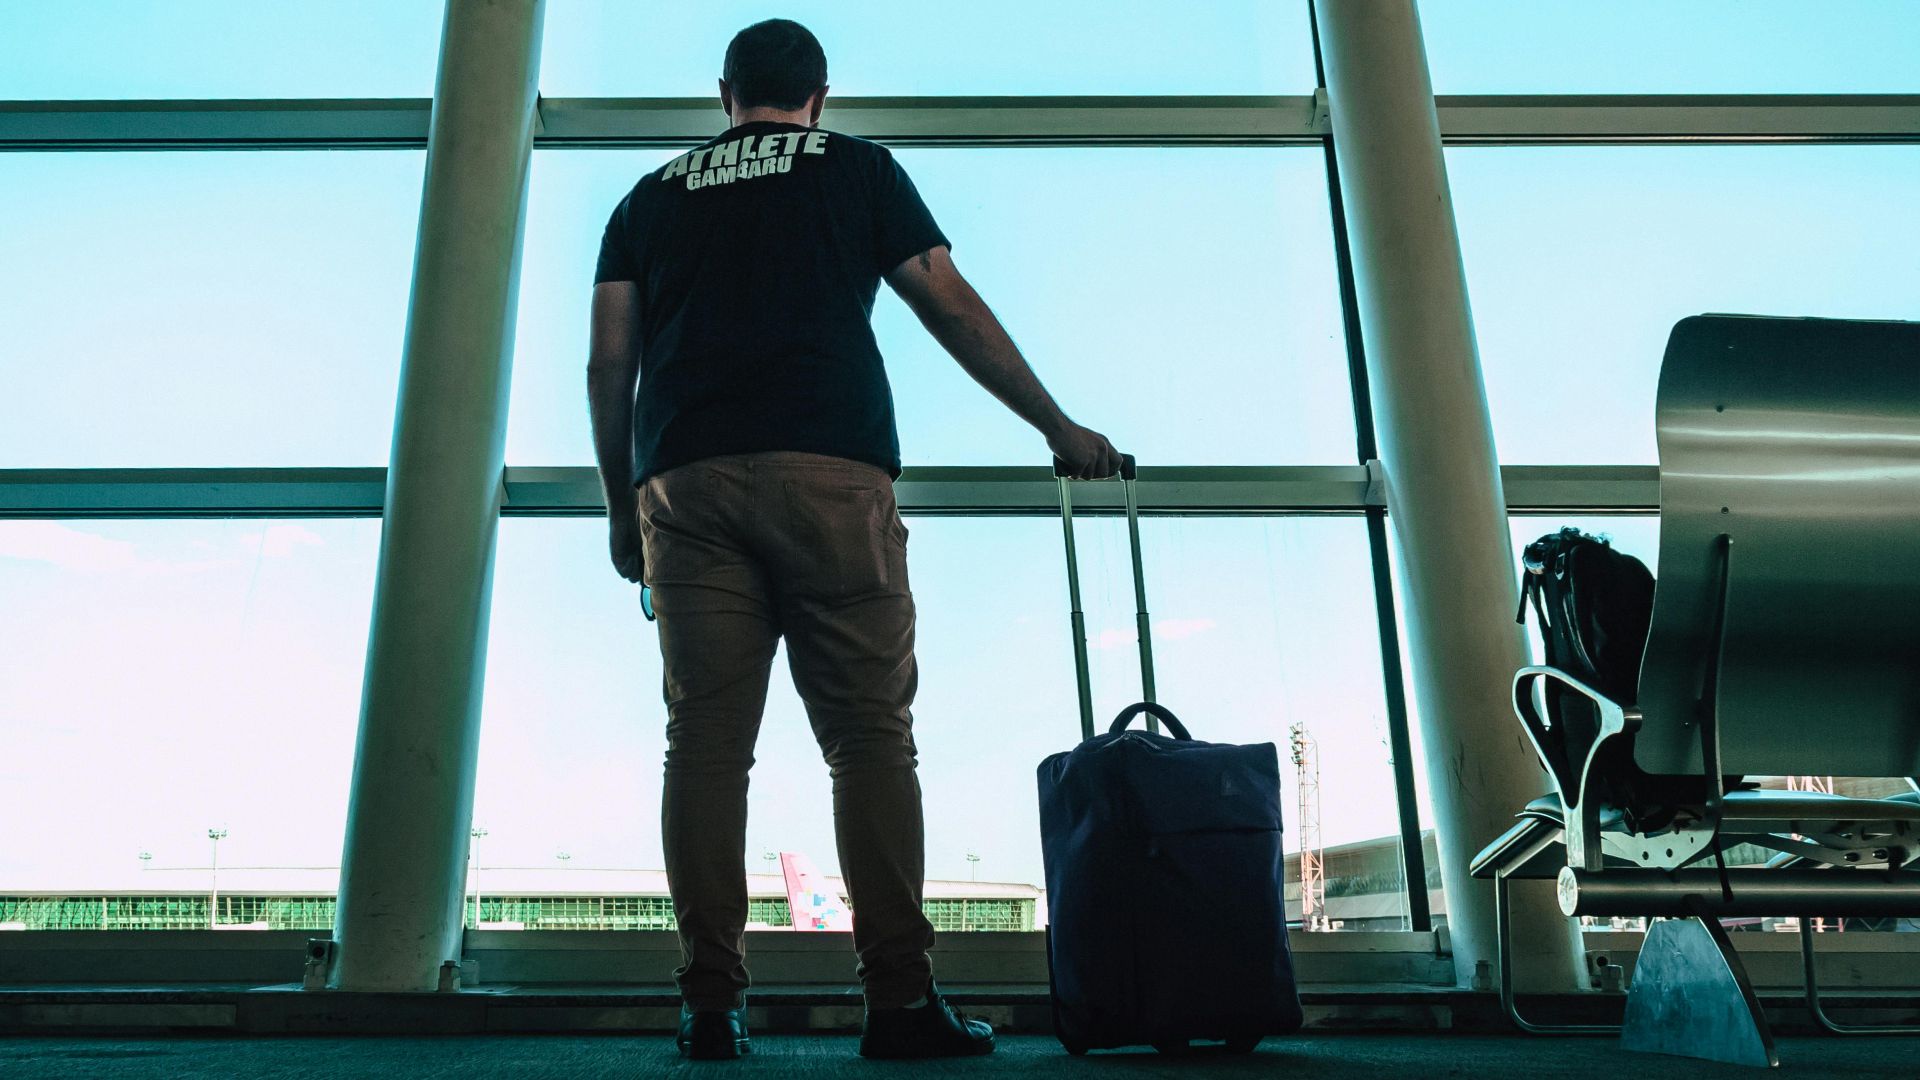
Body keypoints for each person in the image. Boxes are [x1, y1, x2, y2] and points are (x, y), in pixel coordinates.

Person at [586, 18, 1121, 1061]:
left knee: (703, 747)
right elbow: (948, 305)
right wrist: (1057, 426)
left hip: (684, 485)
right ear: (819, 95)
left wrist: (621, 506)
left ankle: (707, 1005)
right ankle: (899, 1003)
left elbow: (610, 364)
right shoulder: (859, 170)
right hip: (831, 471)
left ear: (724, 93)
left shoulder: (648, 197)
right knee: (869, 740)